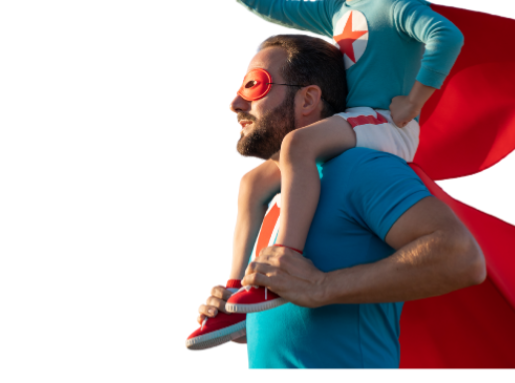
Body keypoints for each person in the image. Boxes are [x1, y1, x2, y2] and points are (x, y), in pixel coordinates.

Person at [199, 0, 465, 317]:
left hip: (384, 123)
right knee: (253, 183)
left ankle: (284, 262)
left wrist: (415, 100)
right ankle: (235, 295)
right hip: (352, 124)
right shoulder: (336, 11)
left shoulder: (395, 4)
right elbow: (278, 7)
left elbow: (445, 36)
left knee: (297, 145)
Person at [187, 34, 485, 368]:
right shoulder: (281, 202)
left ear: (308, 99)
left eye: (253, 86)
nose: (236, 104)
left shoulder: (360, 168)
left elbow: (462, 257)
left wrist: (322, 286)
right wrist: (247, 314)